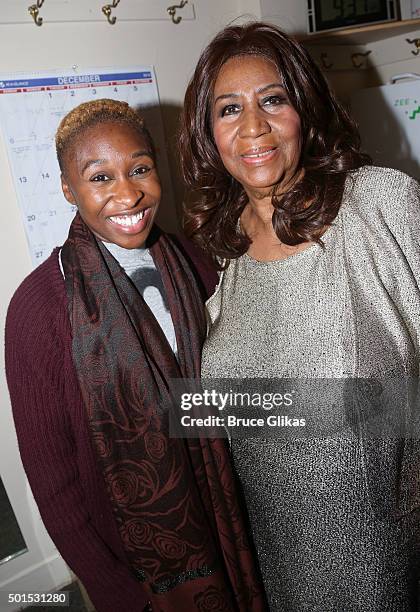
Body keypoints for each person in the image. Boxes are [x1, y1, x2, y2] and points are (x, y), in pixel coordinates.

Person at [179, 22, 420, 612]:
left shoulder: (376, 203)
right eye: (229, 109)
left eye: (272, 100)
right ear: (210, 134)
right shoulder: (224, 244)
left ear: (304, 111)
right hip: (267, 540)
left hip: (379, 544)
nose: (252, 126)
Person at [5, 99, 267, 612]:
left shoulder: (192, 260)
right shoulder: (38, 309)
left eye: (140, 169)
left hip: (232, 523)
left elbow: (225, 394)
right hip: (138, 570)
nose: (128, 193)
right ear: (67, 188)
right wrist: (116, 592)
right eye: (100, 177)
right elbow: (51, 478)